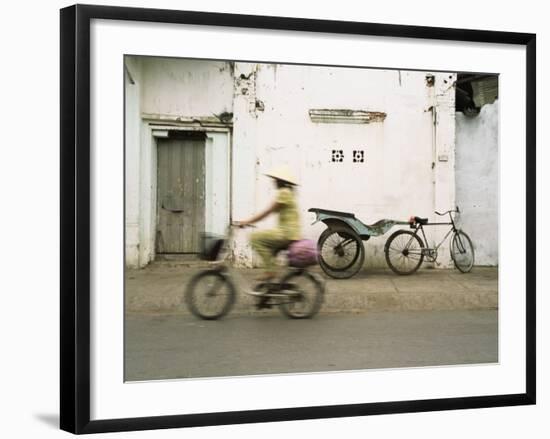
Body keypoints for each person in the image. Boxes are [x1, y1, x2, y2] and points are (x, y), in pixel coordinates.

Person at [234, 165, 301, 281]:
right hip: (291, 233)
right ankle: (273, 285)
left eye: (275, 180)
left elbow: (267, 211)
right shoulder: (288, 192)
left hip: (286, 233)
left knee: (255, 238)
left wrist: (247, 222)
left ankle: (271, 271)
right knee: (269, 248)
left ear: (281, 181)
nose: (273, 182)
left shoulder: (284, 193)